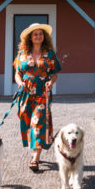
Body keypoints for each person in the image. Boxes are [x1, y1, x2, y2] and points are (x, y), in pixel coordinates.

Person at [13, 23, 61, 172]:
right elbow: (17, 73)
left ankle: (35, 158)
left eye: (41, 34)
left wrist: (50, 82)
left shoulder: (50, 54)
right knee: (26, 121)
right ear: (30, 37)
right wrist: (20, 83)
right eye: (35, 34)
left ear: (44, 37)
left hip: (42, 93)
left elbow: (55, 74)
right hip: (26, 93)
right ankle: (37, 147)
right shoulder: (21, 54)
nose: (38, 36)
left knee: (38, 122)